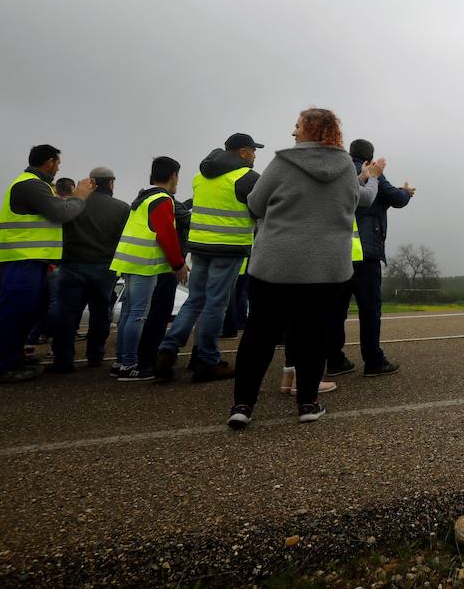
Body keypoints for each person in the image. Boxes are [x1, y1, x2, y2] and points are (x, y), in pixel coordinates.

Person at [227, 107, 380, 429]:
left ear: (310, 131)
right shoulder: (344, 167)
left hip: (276, 263)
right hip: (326, 267)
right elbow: (361, 201)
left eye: (297, 127)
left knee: (259, 334)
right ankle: (308, 403)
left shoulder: (283, 163)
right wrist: (372, 179)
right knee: (313, 335)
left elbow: (255, 204)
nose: (293, 132)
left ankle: (243, 405)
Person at [155, 133, 263, 383]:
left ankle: (167, 350)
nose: (255, 155)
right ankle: (207, 360)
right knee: (216, 304)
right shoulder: (247, 177)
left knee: (195, 301)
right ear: (243, 152)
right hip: (228, 248)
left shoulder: (201, 175)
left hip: (200, 247)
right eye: (253, 151)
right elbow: (260, 209)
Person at [0, 145, 94, 384]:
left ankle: (13, 359)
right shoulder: (30, 184)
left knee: (27, 312)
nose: (58, 168)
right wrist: (80, 197)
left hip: (31, 259)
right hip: (22, 258)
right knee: (14, 313)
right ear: (50, 162)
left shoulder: (37, 185)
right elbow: (62, 213)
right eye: (58, 163)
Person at [330, 138, 415, 377]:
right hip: (366, 252)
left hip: (338, 251)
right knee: (369, 309)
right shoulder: (371, 172)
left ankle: (334, 359)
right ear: (369, 158)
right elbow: (395, 198)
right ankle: (374, 361)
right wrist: (406, 192)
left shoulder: (339, 172)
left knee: (337, 310)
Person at [111, 157, 187, 381]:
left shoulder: (143, 197)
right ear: (173, 176)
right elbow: (166, 234)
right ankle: (131, 365)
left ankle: (121, 361)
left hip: (129, 260)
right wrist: (179, 264)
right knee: (137, 316)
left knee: (128, 313)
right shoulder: (163, 199)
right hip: (145, 263)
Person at [49, 167, 129, 373]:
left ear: (91, 183)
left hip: (72, 264)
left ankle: (63, 360)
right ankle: (95, 355)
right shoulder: (121, 208)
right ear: (110, 183)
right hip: (105, 267)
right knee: (100, 313)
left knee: (67, 313)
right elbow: (124, 240)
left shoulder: (73, 204)